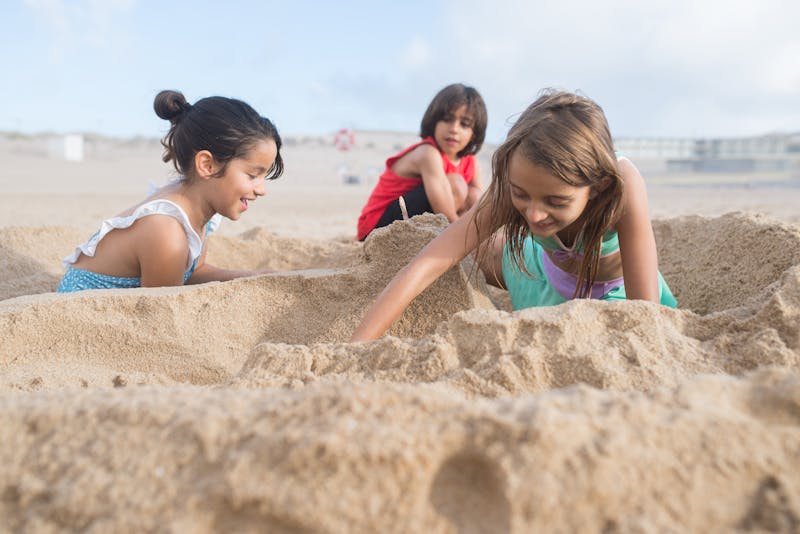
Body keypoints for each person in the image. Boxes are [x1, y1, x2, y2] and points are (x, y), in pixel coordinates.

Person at [351, 89, 677, 341]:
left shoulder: (621, 185)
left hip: (612, 289)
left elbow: (646, 313)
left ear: (598, 186)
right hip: (542, 275)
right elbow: (430, 262)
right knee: (477, 244)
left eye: (556, 201)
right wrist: (357, 345)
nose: (534, 214)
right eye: (521, 195)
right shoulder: (513, 179)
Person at [57, 90, 284, 292]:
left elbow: (194, 272)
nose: (261, 190)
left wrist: (252, 277)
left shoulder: (197, 204)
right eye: (253, 175)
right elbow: (162, 316)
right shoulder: (167, 230)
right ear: (207, 165)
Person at [356, 83, 488, 241]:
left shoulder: (471, 162)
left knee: (474, 194)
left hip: (420, 222)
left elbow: (480, 206)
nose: (454, 129)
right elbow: (444, 214)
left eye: (464, 124)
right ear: (434, 121)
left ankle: (465, 239)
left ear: (474, 133)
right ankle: (460, 241)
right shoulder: (427, 153)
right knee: (456, 184)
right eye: (447, 119)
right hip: (376, 229)